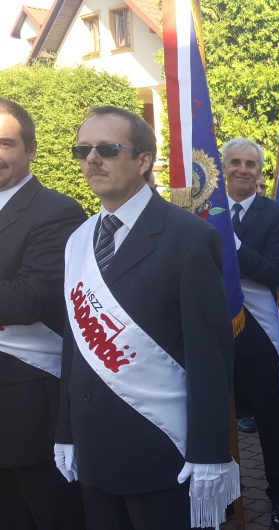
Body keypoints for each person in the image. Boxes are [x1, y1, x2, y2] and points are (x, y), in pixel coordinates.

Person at [55, 106, 238, 529]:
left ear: (143, 161)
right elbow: (75, 346)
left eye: (108, 148)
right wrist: (66, 428)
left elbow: (209, 358)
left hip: (159, 449)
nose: (92, 159)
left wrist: (209, 450)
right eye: (83, 149)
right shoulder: (79, 239)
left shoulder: (189, 237)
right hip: (94, 446)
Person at [0, 98, 87, 529]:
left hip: (27, 401)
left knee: (47, 516)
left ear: (31, 150)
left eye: (6, 143)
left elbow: (27, 298)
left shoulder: (57, 211)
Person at [223, 138, 279, 529]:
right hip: (214, 332)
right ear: (223, 166)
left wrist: (233, 244)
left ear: (259, 171)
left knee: (269, 421)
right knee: (217, 421)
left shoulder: (278, 216)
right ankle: (221, 497)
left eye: (251, 164)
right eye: (235, 162)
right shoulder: (206, 211)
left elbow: (272, 273)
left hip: (258, 334)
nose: (242, 169)